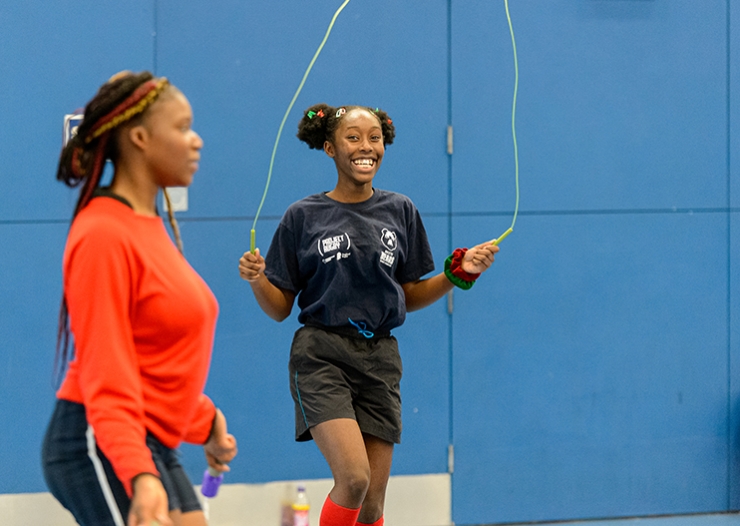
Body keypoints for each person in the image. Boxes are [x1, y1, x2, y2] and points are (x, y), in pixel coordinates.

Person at [238, 103, 499, 526]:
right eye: (353, 137)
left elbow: (410, 293)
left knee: (373, 505)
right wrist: (257, 280)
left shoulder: (401, 211)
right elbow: (279, 308)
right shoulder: (302, 216)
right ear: (329, 148)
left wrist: (459, 273)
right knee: (354, 479)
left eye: (374, 137)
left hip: (379, 359)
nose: (366, 147)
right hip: (321, 356)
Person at [42, 71, 237, 526]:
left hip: (149, 435)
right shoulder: (103, 234)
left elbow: (151, 359)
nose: (197, 141)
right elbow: (106, 368)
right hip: (97, 439)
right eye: (183, 127)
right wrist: (138, 474)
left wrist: (205, 421)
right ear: (140, 138)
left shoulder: (146, 224)